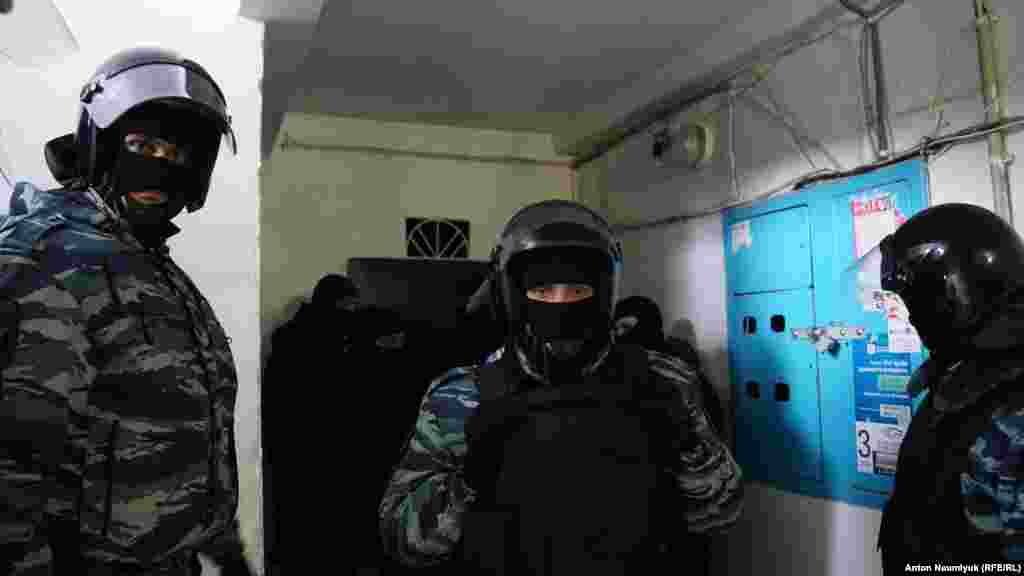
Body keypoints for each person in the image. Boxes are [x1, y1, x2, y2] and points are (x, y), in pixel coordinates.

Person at [378, 200, 743, 573]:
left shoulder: (665, 381)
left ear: (604, 292)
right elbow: (404, 542)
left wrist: (687, 447)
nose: (560, 305)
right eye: (542, 291)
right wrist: (470, 479)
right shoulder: (461, 396)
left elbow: (722, 514)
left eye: (577, 291)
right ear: (512, 294)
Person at [0, 47, 253, 575]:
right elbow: (11, 468)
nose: (162, 164)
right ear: (103, 144)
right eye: (143, 145)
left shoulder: (153, 266)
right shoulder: (46, 256)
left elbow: (187, 426)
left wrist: (226, 552)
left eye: (179, 153)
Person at [870, 203, 1024, 568]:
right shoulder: (963, 373)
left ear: (951, 295)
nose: (912, 317)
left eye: (915, 301)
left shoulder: (1013, 408)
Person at [613, 295, 725, 435]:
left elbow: (707, 432)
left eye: (626, 327)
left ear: (648, 325)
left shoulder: (682, 376)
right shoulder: (615, 372)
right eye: (615, 328)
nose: (619, 334)